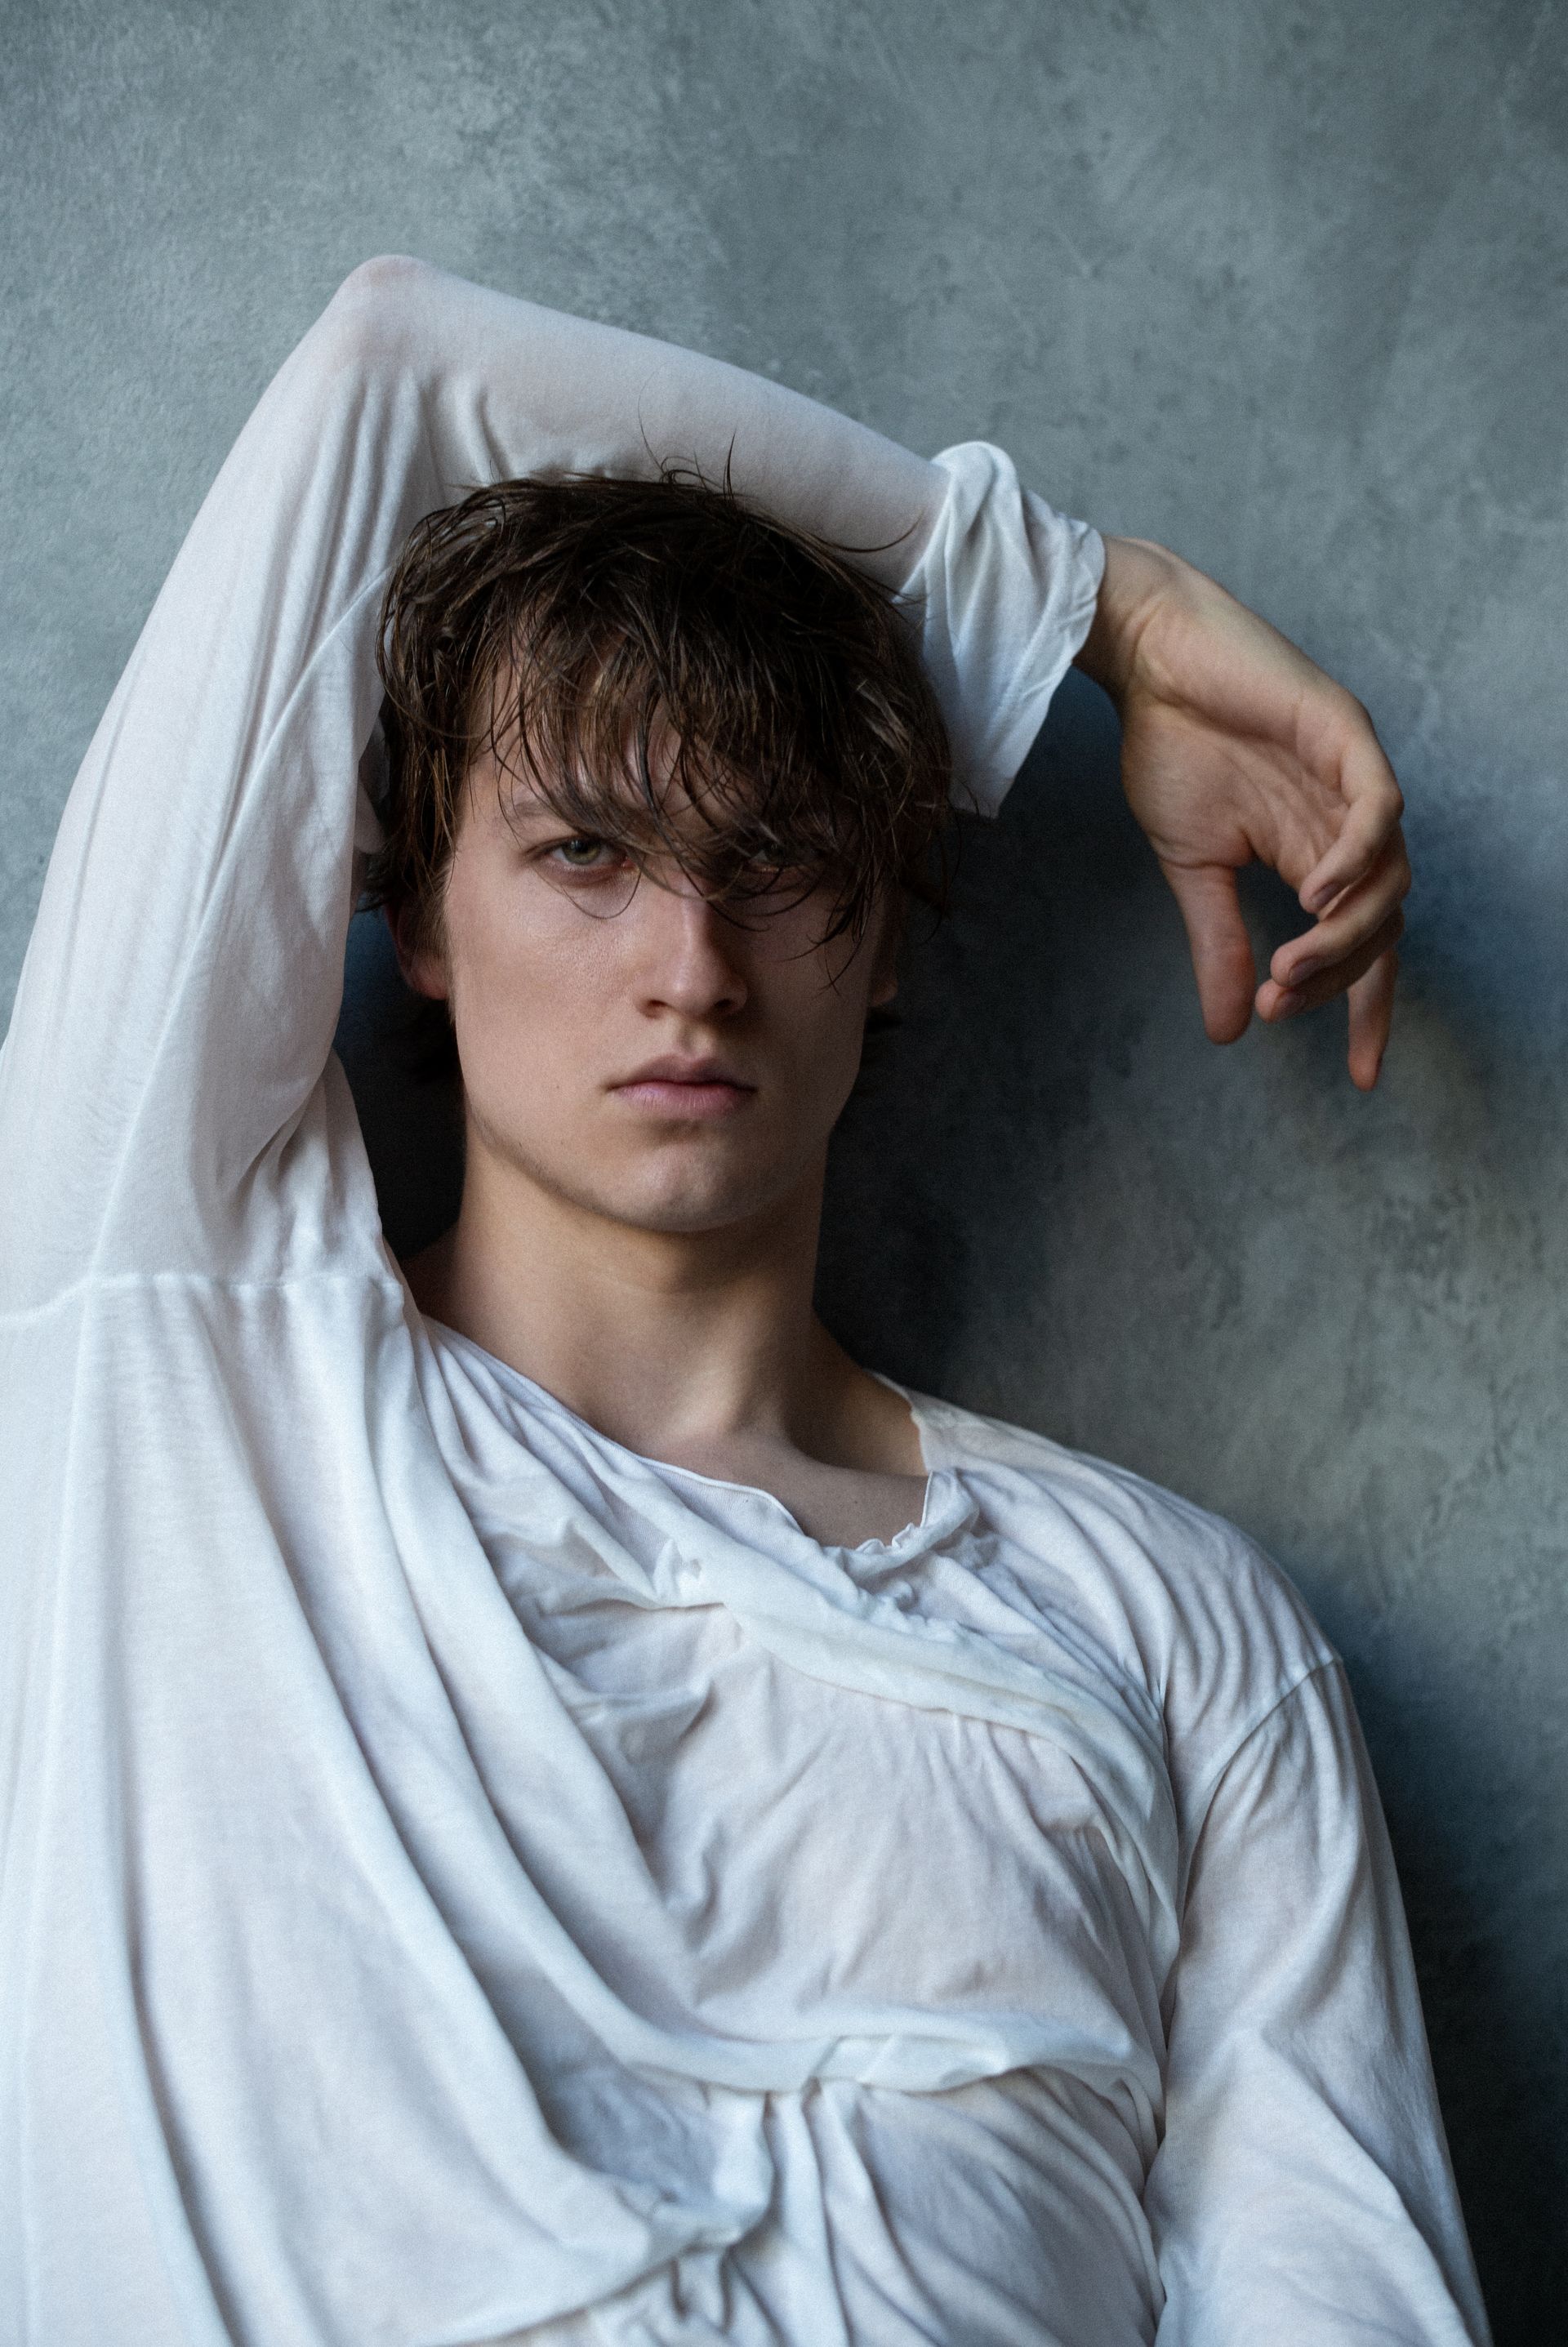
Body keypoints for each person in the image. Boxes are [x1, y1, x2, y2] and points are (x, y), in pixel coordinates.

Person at [0, 256, 1482, 2347]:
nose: (689, 967)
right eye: (586, 854)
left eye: (774, 861)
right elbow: (390, 367)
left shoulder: (1178, 1636)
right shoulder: (177, 1362)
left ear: (882, 937)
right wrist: (1095, 610)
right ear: (413, 909)